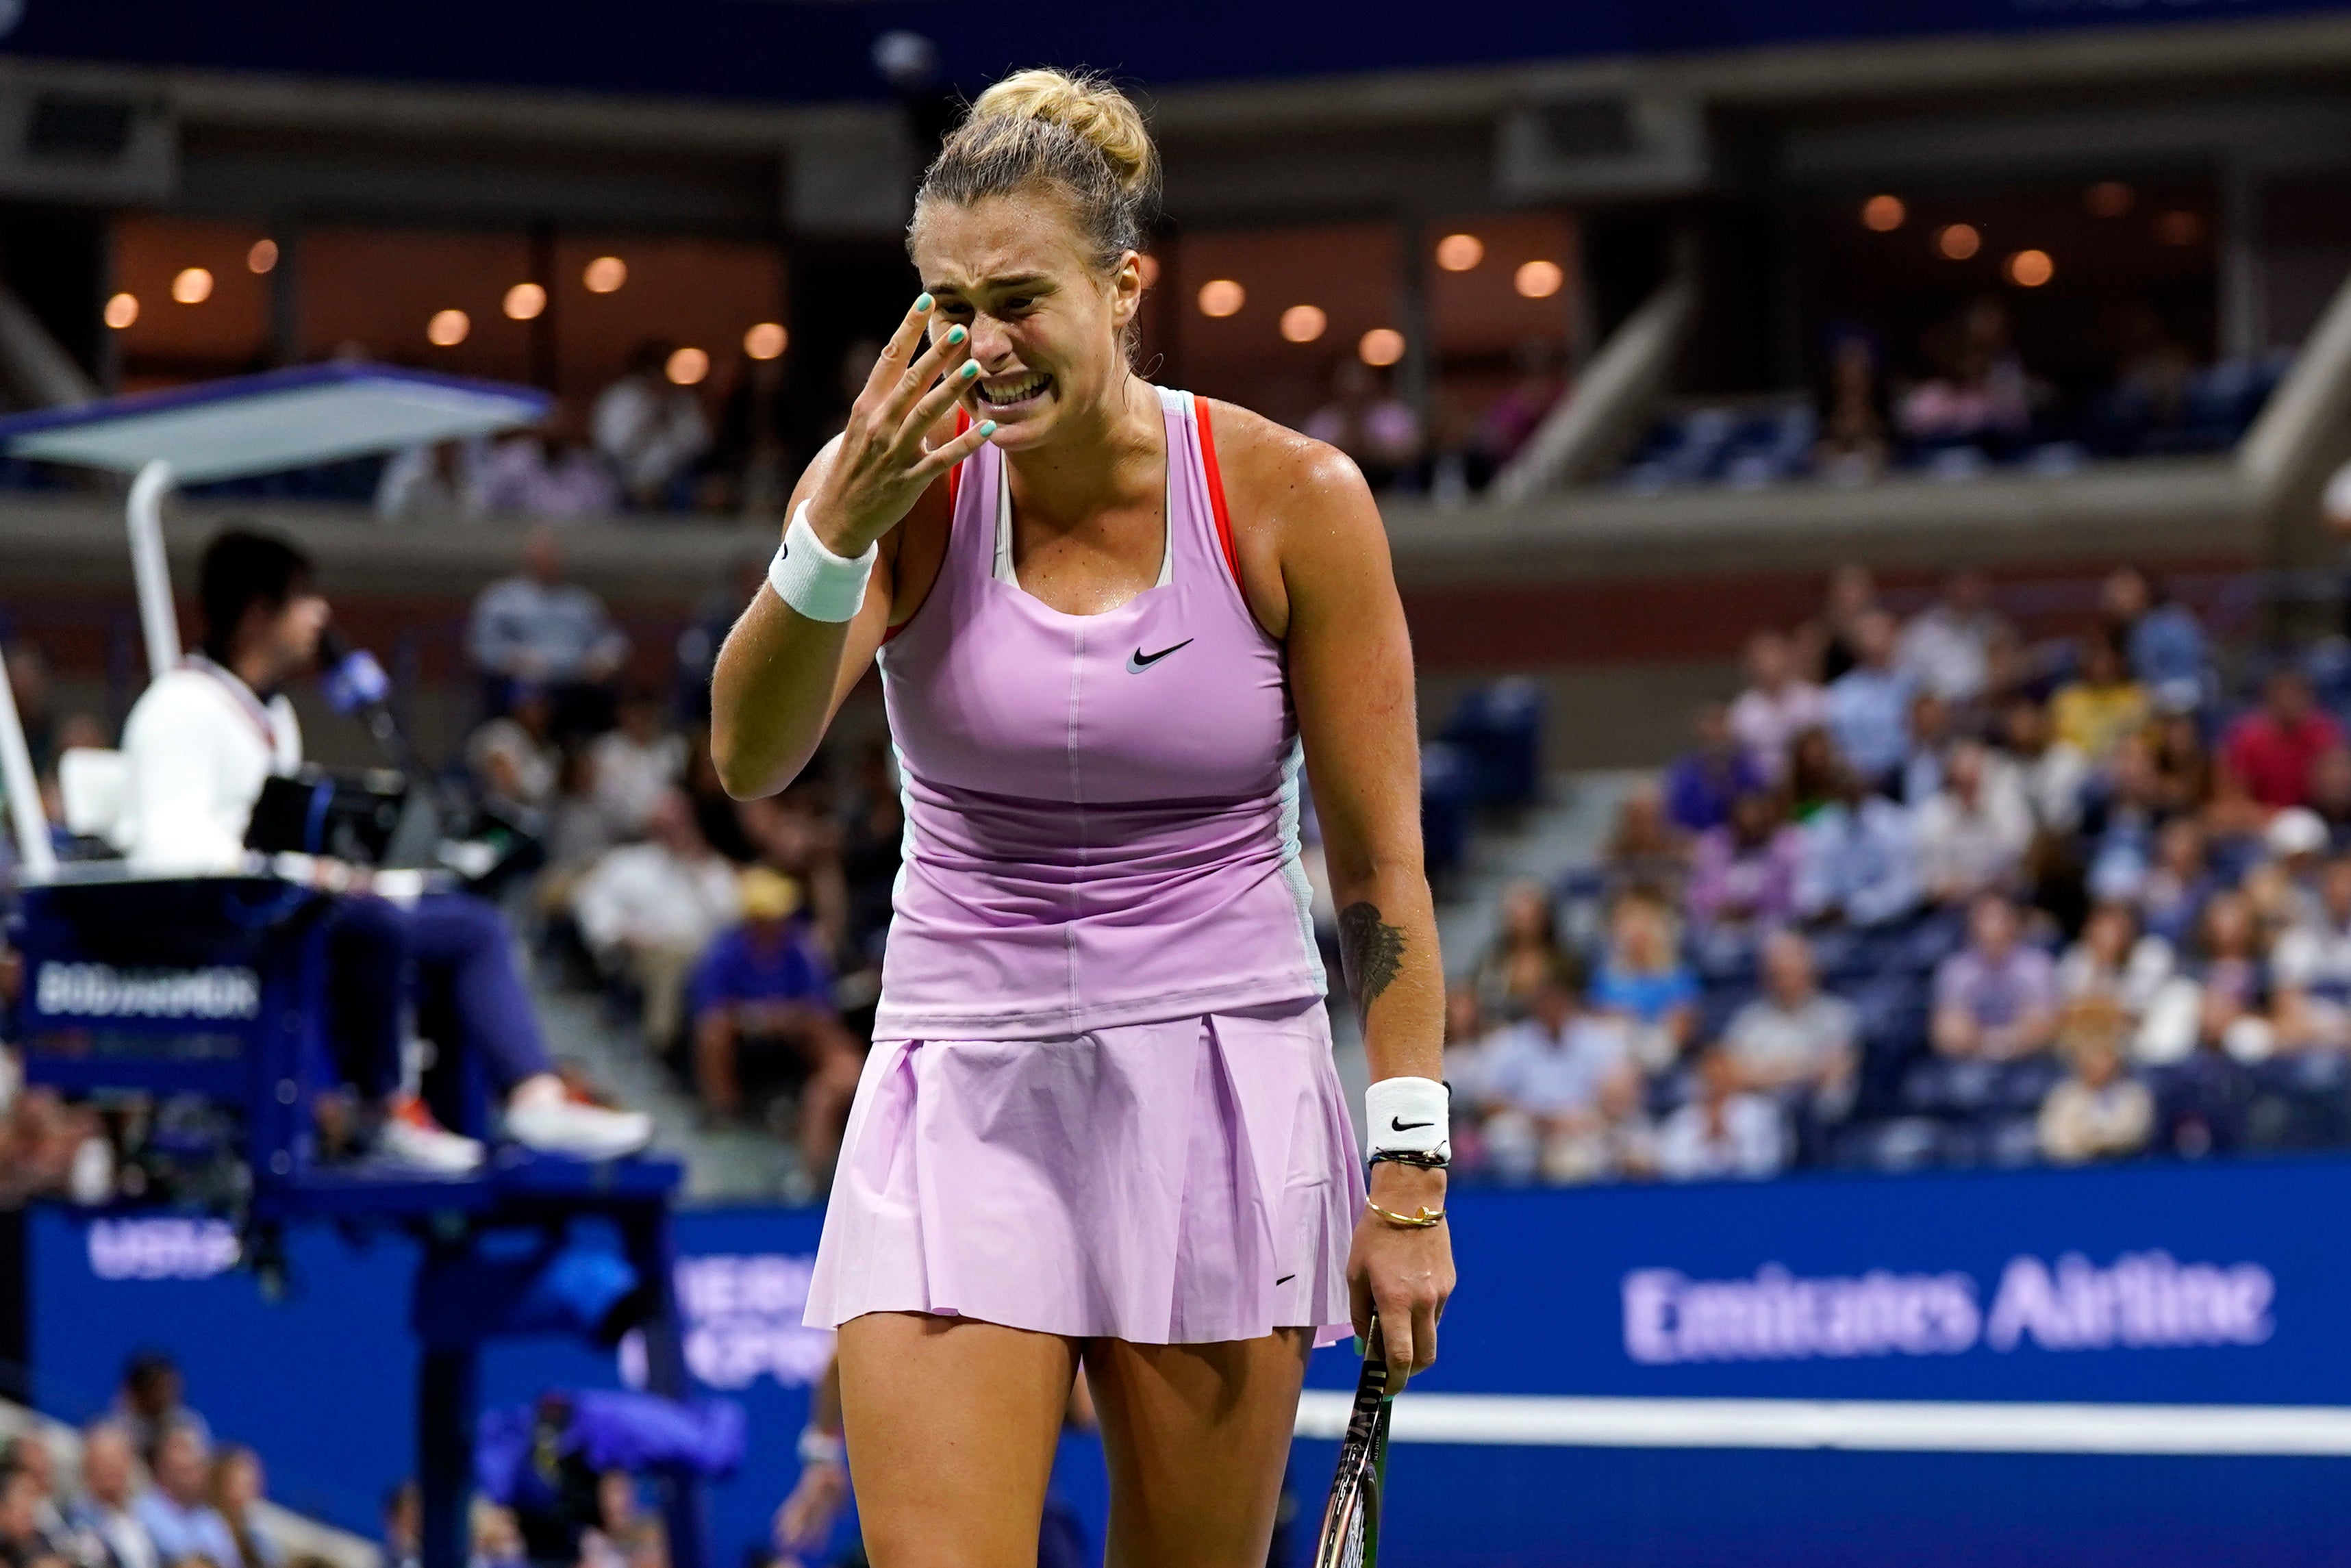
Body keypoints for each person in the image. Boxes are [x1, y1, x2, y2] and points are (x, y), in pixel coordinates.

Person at [707, 70, 1452, 1565]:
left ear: (1124, 288)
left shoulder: (1295, 498)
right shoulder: (898, 489)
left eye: (1017, 298)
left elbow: (1375, 869)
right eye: (942, 304)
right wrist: (838, 523)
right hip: (961, 1084)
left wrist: (1409, 1170)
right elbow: (751, 756)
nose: (978, 346)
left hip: (1219, 1093)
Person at [112, 529, 652, 1167]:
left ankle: (535, 1098)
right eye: (303, 599)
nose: (322, 615)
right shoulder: (179, 708)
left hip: (293, 914)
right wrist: (310, 874)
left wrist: (332, 870)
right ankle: (381, 1111)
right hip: (225, 937)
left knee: (469, 926)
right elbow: (172, 852)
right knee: (370, 923)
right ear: (259, 613)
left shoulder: (273, 715)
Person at [685, 868, 862, 1178]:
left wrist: (788, 1018)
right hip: (743, 1039)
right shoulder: (724, 953)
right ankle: (723, 1111)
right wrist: (757, 1018)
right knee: (712, 1032)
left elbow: (820, 1008)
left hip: (794, 1037)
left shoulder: (800, 949)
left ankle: (843, 1077)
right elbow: (711, 1009)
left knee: (825, 1033)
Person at [571, 792, 743, 1052]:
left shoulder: (711, 870)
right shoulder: (627, 863)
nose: (674, 832)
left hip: (704, 953)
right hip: (644, 951)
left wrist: (697, 872)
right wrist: (620, 934)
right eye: (666, 826)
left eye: (679, 825)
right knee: (670, 960)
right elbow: (591, 902)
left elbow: (730, 918)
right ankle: (660, 1042)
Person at [1475, 961, 1644, 1185]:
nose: (1552, 1008)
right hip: (1533, 1126)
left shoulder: (1598, 1038)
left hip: (1589, 1123)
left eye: (1557, 1000)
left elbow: (1622, 1094)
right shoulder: (1511, 1043)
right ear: (1535, 1004)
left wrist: (1590, 1119)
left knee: (1626, 1146)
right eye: (1546, 1001)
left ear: (1569, 1001)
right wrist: (1538, 1118)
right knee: (1504, 1136)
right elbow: (1488, 1101)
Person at [466, 527, 631, 738]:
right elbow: (481, 645)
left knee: (606, 699)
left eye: (552, 557)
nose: (548, 563)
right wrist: (514, 659)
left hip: (577, 681)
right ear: (528, 560)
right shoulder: (502, 599)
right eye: (542, 557)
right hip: (526, 682)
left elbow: (613, 639)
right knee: (527, 696)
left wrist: (605, 658)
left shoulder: (579, 602)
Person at [1720, 930, 1858, 1120]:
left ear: (1811, 971)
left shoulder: (1836, 1015)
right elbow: (1732, 1076)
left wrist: (1771, 1073)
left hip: (1820, 1120)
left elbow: (1834, 1069)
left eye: (1791, 971)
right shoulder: (1749, 1020)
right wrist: (1805, 1069)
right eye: (1777, 973)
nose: (1784, 981)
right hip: (1761, 1118)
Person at [1931, 894, 2059, 1061]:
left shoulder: (2037, 964)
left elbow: (2044, 1026)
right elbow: (1947, 1032)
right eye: (1985, 918)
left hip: (2027, 1060)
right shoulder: (1955, 969)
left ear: (2015, 922)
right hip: (1968, 1061)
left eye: (2000, 918)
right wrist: (1991, 1044)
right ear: (1972, 925)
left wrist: (2002, 1043)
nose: (1993, 926)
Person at [594, 342, 713, 511]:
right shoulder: (619, 400)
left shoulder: (684, 401)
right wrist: (653, 421)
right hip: (624, 483)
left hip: (676, 485)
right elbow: (614, 449)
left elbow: (700, 445)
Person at [1913, 739, 2033, 906]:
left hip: (2005, 901)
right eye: (1962, 782)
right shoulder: (1933, 816)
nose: (1969, 787)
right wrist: (1977, 885)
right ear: (1951, 779)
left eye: (1974, 779)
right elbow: (1933, 887)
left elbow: (2020, 863)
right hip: (1953, 909)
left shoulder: (2008, 808)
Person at [2037, 997, 2154, 1165]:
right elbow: (2056, 1141)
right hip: (2076, 1175)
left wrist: (2093, 1140)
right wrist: (2092, 1144)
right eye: (2091, 1057)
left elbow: (2133, 1133)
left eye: (2103, 1056)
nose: (2098, 1064)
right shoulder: (2064, 1097)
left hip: (2124, 1168)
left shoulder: (2134, 1095)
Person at [1655, 1044, 1788, 1181]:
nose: (1716, 1082)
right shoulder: (1681, 1120)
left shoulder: (1759, 1113)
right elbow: (1673, 1170)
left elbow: (1769, 1162)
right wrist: (1703, 1140)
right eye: (1710, 1076)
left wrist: (1731, 1140)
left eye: (1722, 1074)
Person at [2223, 668, 2343, 812]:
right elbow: (2237, 793)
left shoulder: (2323, 733)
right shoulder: (2249, 739)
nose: (2289, 702)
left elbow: (2337, 786)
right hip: (2263, 817)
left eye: (2295, 695)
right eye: (2283, 695)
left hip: (2316, 814)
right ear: (2269, 699)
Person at [1822, 608, 1913, 793]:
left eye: (1881, 632)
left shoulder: (1913, 683)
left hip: (1906, 775)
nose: (1876, 640)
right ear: (1855, 643)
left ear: (1895, 636)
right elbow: (1839, 745)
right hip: (1860, 782)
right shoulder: (1841, 693)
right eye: (1869, 633)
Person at [132, 1427, 239, 1568]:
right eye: (181, 1471)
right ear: (162, 1469)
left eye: (194, 1469)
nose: (188, 1479)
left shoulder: (212, 1521)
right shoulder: (141, 1514)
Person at [1897, 570, 2007, 705]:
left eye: (1974, 584)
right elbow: (1907, 677)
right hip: (1937, 708)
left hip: (1984, 707)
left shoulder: (1995, 627)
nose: (1968, 590)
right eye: (1962, 583)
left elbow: (2004, 674)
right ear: (1947, 586)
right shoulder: (1922, 629)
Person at [588, 690, 687, 839]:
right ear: (622, 714)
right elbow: (604, 797)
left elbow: (682, 792)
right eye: (637, 714)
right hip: (618, 835)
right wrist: (644, 821)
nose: (642, 720)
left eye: (648, 714)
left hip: (670, 835)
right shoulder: (606, 750)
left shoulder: (675, 748)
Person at [1727, 629, 1824, 784]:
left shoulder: (1813, 699)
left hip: (1809, 784)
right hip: (1762, 788)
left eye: (1775, 656)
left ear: (1788, 659)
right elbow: (1738, 759)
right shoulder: (1743, 710)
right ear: (1751, 666)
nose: (1770, 665)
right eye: (1762, 660)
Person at [1662, 702, 1763, 834]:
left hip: (1741, 845)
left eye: (1721, 722)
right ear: (1700, 727)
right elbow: (1674, 819)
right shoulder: (1684, 774)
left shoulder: (1749, 768)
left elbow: (1759, 811)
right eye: (1711, 723)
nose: (1717, 730)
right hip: (1694, 843)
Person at [2050, 632, 2148, 766]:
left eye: (2106, 661)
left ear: (2118, 662)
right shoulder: (2067, 697)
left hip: (2119, 761)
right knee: (2063, 755)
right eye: (2096, 660)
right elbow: (2057, 740)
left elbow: (2144, 737)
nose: (2101, 667)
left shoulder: (2135, 696)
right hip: (2079, 763)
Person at [66, 1424, 154, 1568]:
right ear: (87, 1466)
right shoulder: (76, 1517)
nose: (111, 1469)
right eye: (104, 1462)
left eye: (116, 1461)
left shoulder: (141, 1513)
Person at [207, 1449, 278, 1568]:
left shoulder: (257, 1537)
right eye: (239, 1484)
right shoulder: (205, 1525)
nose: (246, 1493)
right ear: (219, 1482)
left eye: (251, 1485)